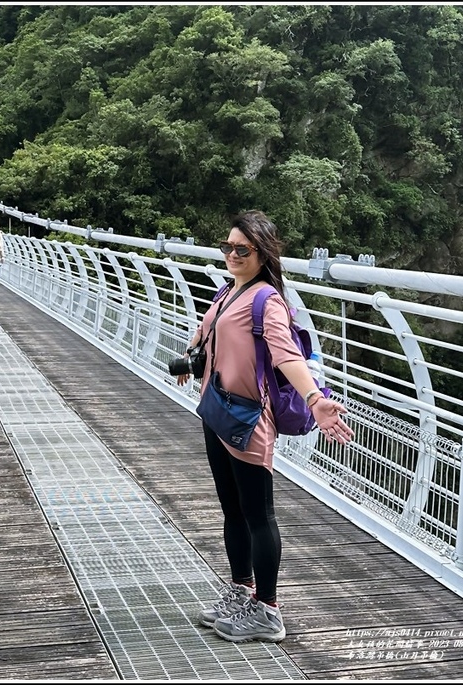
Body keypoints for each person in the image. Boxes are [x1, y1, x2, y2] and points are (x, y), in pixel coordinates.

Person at [175, 210, 354, 643]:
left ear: (263, 254)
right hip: (216, 409)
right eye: (228, 247)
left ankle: (268, 612)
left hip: (248, 419)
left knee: (258, 515)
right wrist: (191, 355)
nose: (232, 255)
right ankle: (241, 593)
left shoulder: (266, 300)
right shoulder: (227, 290)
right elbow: (207, 332)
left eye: (243, 249)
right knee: (232, 510)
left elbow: (286, 354)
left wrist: (316, 400)